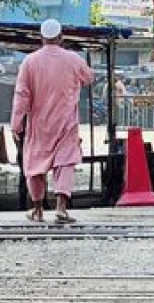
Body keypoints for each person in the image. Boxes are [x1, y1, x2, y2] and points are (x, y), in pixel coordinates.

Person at [11, 19, 94, 223]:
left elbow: (22, 94)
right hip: (66, 123)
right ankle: (61, 208)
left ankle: (38, 209)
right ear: (60, 38)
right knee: (65, 163)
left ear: (41, 38)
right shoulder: (73, 59)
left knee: (34, 165)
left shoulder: (29, 62)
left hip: (39, 124)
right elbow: (89, 77)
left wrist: (16, 124)